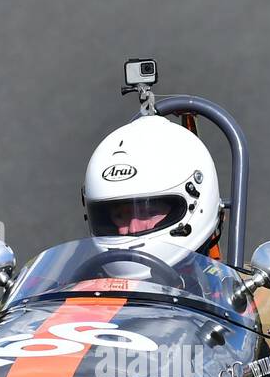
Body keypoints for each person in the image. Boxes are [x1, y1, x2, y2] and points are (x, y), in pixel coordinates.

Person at [81, 115, 223, 268]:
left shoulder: (220, 288)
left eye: (148, 212)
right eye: (120, 216)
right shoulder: (84, 284)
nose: (133, 228)